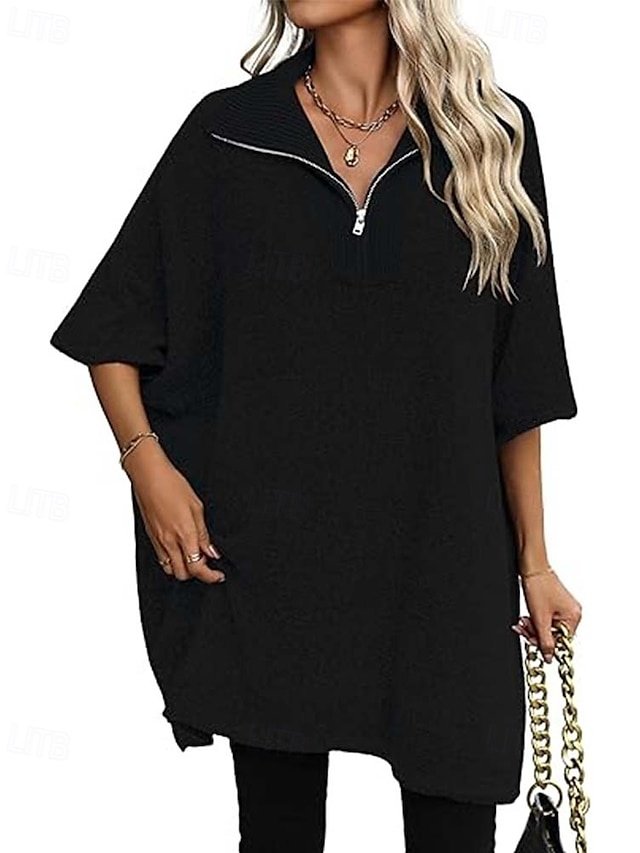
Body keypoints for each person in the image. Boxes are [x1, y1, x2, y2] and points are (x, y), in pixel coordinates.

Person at [49, 1, 583, 850]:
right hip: (271, 564)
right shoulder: (231, 133)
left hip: (442, 563)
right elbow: (117, 322)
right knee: (277, 835)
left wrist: (537, 563)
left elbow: (516, 379)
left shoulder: (490, 135)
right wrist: (147, 466)